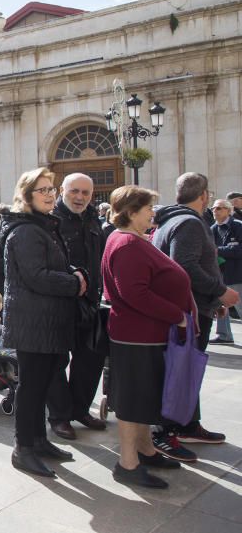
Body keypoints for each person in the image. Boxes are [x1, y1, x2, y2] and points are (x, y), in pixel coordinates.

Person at [99, 185, 191, 489]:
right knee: (133, 399)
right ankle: (127, 463)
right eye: (148, 208)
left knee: (143, 397)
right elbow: (135, 293)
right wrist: (176, 314)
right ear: (132, 211)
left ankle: (145, 449)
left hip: (145, 334)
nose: (153, 213)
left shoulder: (133, 239)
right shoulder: (126, 243)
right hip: (137, 335)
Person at [1, 167, 86, 479]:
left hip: (48, 319)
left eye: (52, 189)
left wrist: (75, 272)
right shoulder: (25, 231)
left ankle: (39, 440)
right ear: (27, 196)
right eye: (43, 190)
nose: (51, 194)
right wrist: (74, 282)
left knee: (43, 384)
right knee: (31, 388)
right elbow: (36, 277)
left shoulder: (44, 226)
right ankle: (23, 448)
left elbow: (55, 265)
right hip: (31, 320)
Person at [151, 173, 239, 455]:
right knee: (182, 371)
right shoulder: (188, 223)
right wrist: (220, 290)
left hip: (194, 306)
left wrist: (212, 299)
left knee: (188, 370)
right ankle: (172, 429)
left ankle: (189, 423)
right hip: (187, 311)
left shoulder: (174, 220)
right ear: (203, 196)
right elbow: (184, 267)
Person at [47, 173, 108, 441]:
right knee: (57, 361)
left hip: (90, 301)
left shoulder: (94, 219)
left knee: (90, 358)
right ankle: (60, 416)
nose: (80, 197)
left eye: (86, 192)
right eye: (75, 191)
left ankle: (80, 409)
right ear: (62, 190)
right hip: (58, 302)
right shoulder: (50, 220)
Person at [211, 199, 242, 345]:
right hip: (220, 272)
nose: (215, 211)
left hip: (237, 273)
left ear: (228, 211)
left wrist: (219, 250)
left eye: (219, 208)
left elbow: (239, 250)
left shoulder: (238, 227)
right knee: (221, 304)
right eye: (213, 209)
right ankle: (224, 335)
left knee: (239, 305)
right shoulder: (212, 229)